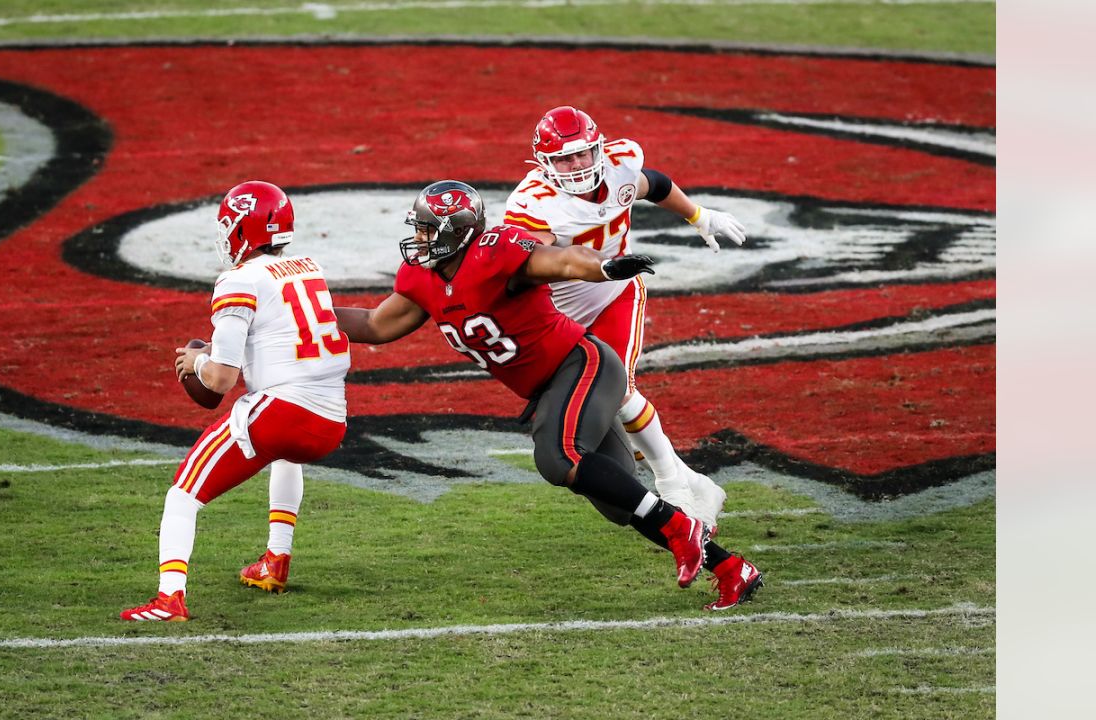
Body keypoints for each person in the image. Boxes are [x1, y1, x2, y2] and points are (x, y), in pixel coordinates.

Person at [334, 180, 762, 611]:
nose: (421, 238)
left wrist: (605, 269)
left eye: (429, 229)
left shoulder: (495, 250)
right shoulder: (422, 278)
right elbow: (375, 325)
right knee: (621, 501)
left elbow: (562, 260)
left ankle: (681, 527)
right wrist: (309, 313)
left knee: (558, 458)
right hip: (551, 390)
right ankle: (731, 570)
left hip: (582, 365)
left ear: (457, 233)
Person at [503, 106, 760, 599]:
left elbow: (654, 184)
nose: (577, 165)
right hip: (560, 309)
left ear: (599, 147)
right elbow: (535, 263)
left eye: (583, 153)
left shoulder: (621, 163)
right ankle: (690, 482)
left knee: (619, 391)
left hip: (617, 293)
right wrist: (596, 264)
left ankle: (673, 484)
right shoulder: (533, 203)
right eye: (565, 158)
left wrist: (699, 215)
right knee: (601, 406)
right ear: (541, 164)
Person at [121, 180, 351, 621]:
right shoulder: (310, 267)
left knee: (183, 494)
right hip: (331, 419)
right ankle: (275, 561)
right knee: (285, 457)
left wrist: (195, 362)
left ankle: (169, 598)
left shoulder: (238, 279)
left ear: (244, 228)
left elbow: (222, 380)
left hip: (282, 413)